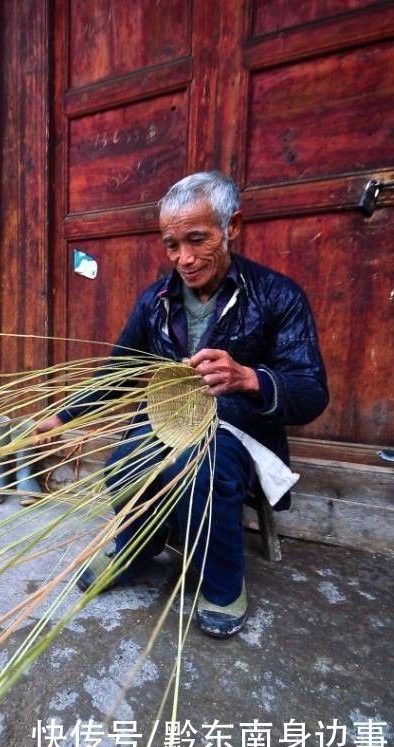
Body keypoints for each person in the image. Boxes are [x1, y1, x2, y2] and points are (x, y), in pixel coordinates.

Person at [37, 171, 328, 638]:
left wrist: (248, 378)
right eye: (172, 245)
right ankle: (137, 546)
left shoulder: (277, 296)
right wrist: (64, 415)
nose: (184, 259)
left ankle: (222, 584)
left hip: (238, 429)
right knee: (123, 463)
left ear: (232, 226)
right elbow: (120, 370)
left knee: (199, 469)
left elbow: (312, 390)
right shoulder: (156, 300)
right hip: (167, 422)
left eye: (197, 239)